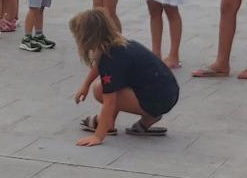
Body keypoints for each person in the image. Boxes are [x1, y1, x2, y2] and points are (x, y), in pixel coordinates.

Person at [71, 8, 179, 146]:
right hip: (167, 93)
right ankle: (144, 120)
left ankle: (111, 122)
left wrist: (98, 136)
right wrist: (85, 84)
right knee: (113, 84)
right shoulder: (121, 45)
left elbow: (110, 101)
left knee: (100, 89)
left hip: (157, 100)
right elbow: (99, 66)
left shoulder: (110, 59)